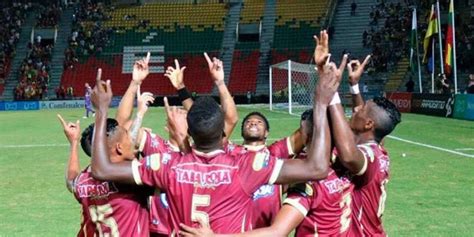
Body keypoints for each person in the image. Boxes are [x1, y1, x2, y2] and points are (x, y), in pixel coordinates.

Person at [88, 41, 337, 234]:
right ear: (223, 134)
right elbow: (316, 167)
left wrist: (101, 111)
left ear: (190, 132)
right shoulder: (246, 164)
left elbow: (101, 168)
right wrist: (322, 100)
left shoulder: (166, 164)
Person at [57, 113, 153, 236]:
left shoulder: (83, 180)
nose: (132, 140)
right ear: (119, 148)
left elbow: (71, 182)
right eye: (128, 136)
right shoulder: (128, 177)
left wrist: (73, 143)